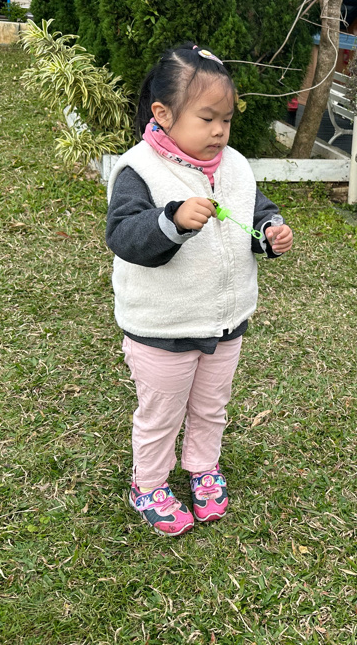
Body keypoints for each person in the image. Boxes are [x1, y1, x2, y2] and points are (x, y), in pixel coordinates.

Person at [106, 43, 295, 537]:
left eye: (226, 120)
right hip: (162, 327)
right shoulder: (139, 170)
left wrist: (270, 232)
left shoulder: (234, 165)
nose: (219, 132)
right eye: (207, 118)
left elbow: (254, 210)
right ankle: (149, 483)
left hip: (224, 322)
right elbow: (123, 235)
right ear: (163, 114)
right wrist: (171, 220)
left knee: (211, 405)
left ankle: (202, 467)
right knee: (162, 413)